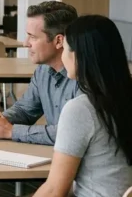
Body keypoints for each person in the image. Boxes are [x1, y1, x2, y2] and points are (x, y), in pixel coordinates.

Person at [0, 1, 78, 197]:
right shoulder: (43, 71)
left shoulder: (86, 79)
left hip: (79, 175)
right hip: (53, 167)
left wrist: (10, 131)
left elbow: (67, 134)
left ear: (58, 41)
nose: (24, 43)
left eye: (32, 37)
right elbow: (25, 109)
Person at [32, 15, 132, 197]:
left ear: (77, 55)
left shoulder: (81, 109)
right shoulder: (123, 98)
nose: (62, 56)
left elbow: (55, 191)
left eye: (65, 49)